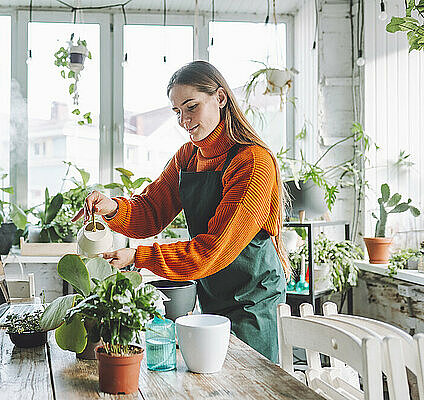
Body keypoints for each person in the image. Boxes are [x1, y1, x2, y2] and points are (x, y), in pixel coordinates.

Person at [72, 60, 290, 363]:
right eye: (177, 112)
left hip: (252, 302)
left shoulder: (252, 162)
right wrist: (111, 208)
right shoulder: (188, 156)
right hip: (212, 293)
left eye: (191, 107)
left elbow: (213, 249)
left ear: (220, 98)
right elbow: (150, 212)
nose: (184, 120)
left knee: (250, 386)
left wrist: (140, 257)